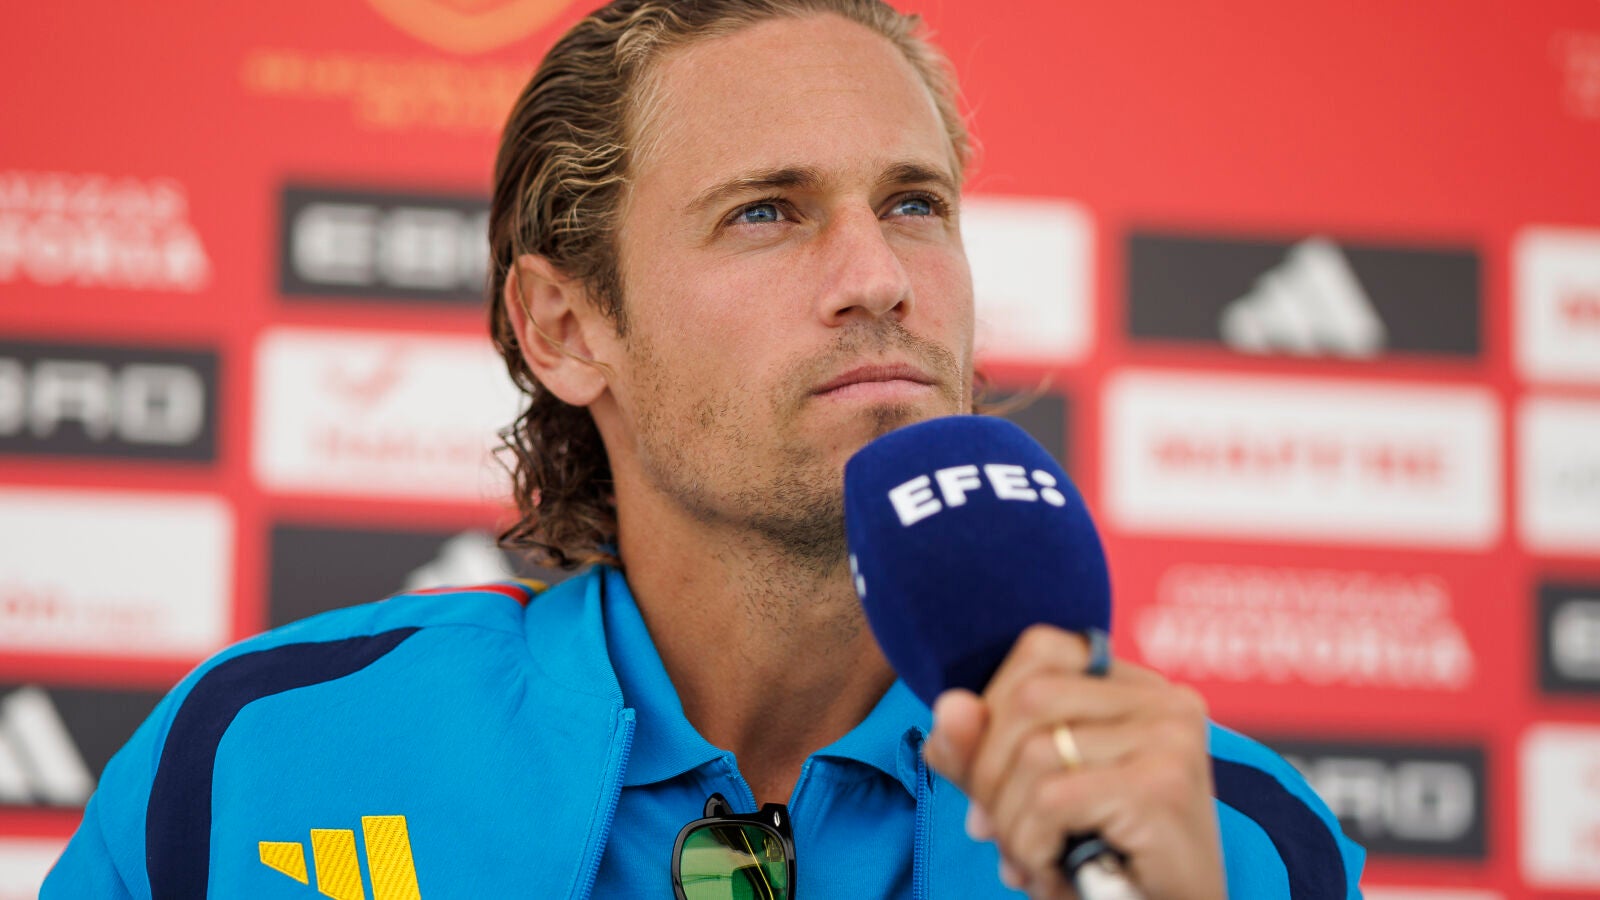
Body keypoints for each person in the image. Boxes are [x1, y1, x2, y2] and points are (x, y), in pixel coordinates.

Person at [45, 1, 1365, 897]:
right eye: (766, 214)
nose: (877, 276)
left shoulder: (1229, 839)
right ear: (566, 328)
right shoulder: (262, 762)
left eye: (914, 203)